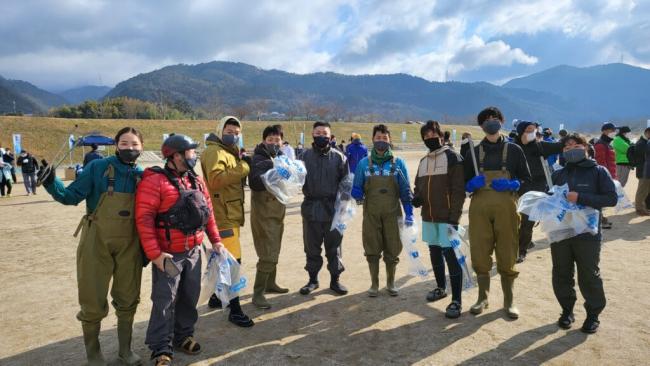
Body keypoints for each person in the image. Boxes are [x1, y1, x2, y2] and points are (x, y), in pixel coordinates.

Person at [37, 127, 145, 365]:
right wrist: (51, 183)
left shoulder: (143, 175)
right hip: (97, 241)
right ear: (116, 145)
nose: (130, 148)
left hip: (130, 244)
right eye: (125, 143)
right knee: (92, 299)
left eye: (135, 144)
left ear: (142, 147)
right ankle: (94, 355)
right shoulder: (97, 168)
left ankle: (125, 351)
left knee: (128, 298)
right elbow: (71, 196)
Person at [136, 134, 225, 366]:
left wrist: (215, 240)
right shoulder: (155, 181)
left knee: (189, 296)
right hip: (168, 255)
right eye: (191, 152)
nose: (194, 156)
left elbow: (208, 213)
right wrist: (155, 254)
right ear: (176, 156)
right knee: (165, 300)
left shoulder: (195, 180)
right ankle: (160, 348)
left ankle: (183, 335)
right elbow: (144, 219)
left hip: (194, 252)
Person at [464, 107, 531, 319]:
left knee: (507, 250)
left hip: (507, 207)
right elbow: (462, 184)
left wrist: (514, 183)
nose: (491, 122)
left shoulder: (514, 150)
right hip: (479, 208)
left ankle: (508, 300)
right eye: (486, 120)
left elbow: (527, 180)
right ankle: (482, 298)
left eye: (495, 119)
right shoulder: (473, 153)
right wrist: (470, 185)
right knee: (480, 251)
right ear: (481, 125)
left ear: (502, 122)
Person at [550, 133, 617, 334]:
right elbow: (551, 198)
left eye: (576, 145)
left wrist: (580, 197)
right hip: (561, 231)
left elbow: (611, 198)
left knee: (589, 274)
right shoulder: (558, 174)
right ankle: (567, 310)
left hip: (588, 233)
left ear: (586, 147)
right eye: (567, 147)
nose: (571, 149)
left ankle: (593, 314)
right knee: (561, 272)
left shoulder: (599, 171)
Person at [200, 116, 255, 327]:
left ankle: (216, 297)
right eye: (229, 130)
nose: (234, 134)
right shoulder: (215, 151)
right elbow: (215, 181)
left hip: (228, 214)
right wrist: (243, 167)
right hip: (223, 216)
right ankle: (235, 310)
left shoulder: (225, 151)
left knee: (222, 258)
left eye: (237, 131)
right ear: (220, 130)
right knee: (233, 263)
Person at [352, 124, 414, 297]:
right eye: (378, 138)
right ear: (372, 140)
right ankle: (374, 283)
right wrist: (356, 191)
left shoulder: (399, 163)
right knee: (371, 247)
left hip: (393, 212)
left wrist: (409, 212)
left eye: (384, 138)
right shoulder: (363, 163)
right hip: (371, 213)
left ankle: (391, 282)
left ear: (389, 140)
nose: (381, 141)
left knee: (393, 247)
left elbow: (405, 189)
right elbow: (357, 187)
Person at [412, 121, 465, 318]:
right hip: (429, 216)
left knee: (450, 256)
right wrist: (417, 198)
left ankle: (456, 300)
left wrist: (455, 218)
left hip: (447, 218)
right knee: (434, 252)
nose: (429, 139)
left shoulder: (453, 157)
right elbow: (418, 185)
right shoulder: (423, 161)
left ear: (440, 136)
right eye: (425, 137)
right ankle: (440, 287)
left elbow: (459, 191)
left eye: (432, 134)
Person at [298, 121, 349, 296]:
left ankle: (335, 280)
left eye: (325, 133)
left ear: (330, 135)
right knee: (311, 247)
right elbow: (295, 180)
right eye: (318, 132)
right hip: (311, 208)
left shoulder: (339, 157)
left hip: (333, 210)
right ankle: (313, 280)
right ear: (312, 134)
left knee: (334, 247)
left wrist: (343, 205)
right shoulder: (304, 157)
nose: (321, 136)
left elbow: (346, 183)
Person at [514, 121, 564, 263]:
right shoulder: (513, 147)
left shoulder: (539, 146)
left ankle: (521, 250)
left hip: (536, 186)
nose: (533, 133)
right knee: (513, 220)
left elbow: (560, 146)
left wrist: (571, 139)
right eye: (529, 130)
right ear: (521, 131)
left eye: (534, 130)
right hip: (516, 186)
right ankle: (524, 241)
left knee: (527, 220)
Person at [249, 125, 287, 309]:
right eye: (270, 140)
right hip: (264, 213)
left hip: (277, 212)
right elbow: (255, 182)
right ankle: (258, 293)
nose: (274, 143)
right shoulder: (258, 159)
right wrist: (273, 170)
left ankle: (271, 283)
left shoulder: (279, 157)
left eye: (277, 140)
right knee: (267, 252)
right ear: (264, 141)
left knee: (275, 248)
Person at [594, 122, 618, 229]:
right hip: (603, 176)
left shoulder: (607, 143)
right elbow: (601, 163)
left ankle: (601, 219)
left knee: (601, 201)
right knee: (599, 200)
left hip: (609, 175)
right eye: (612, 130)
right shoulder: (600, 144)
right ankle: (600, 221)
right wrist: (606, 177)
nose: (614, 132)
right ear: (605, 131)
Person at [634, 128, 650, 215]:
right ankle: (639, 209)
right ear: (647, 133)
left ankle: (642, 208)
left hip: (645, 170)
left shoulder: (644, 142)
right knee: (642, 190)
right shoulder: (642, 143)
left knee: (646, 190)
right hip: (644, 171)